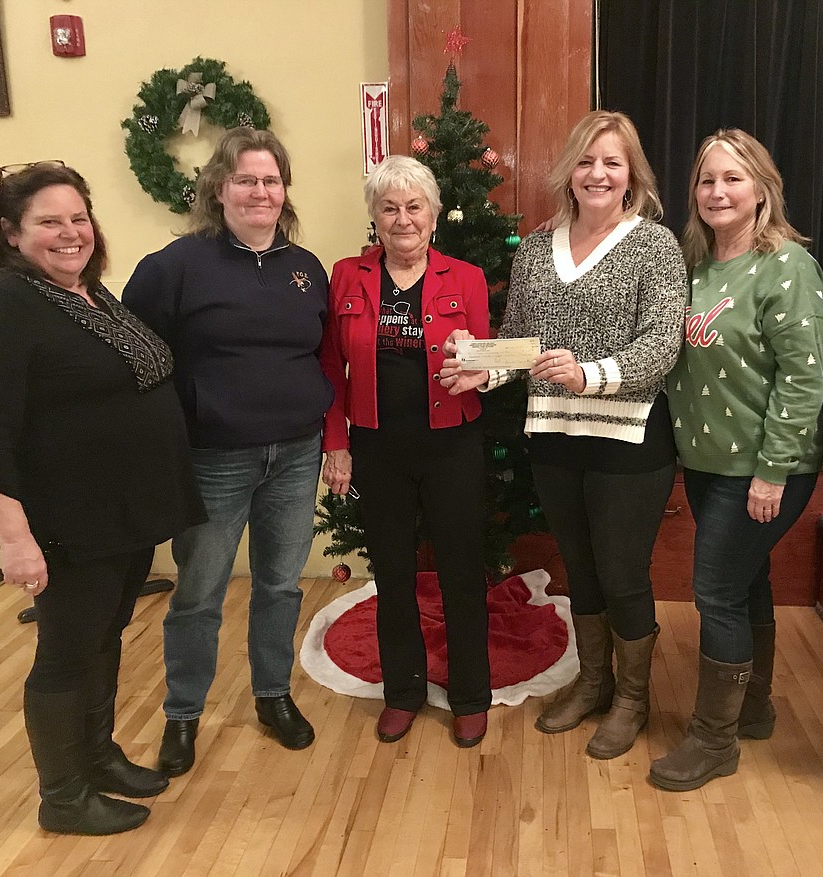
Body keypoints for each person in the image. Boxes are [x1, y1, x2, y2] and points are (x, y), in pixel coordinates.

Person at [0, 162, 205, 835]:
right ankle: (63, 794)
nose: (70, 233)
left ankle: (98, 755)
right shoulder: (4, 304)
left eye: (78, 218)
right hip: (71, 521)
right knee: (66, 651)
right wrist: (13, 537)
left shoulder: (87, 293)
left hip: (122, 515)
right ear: (9, 232)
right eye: (49, 222)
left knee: (102, 638)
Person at [442, 111, 686, 760]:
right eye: (586, 161)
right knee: (579, 567)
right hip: (553, 436)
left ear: (631, 173)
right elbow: (521, 341)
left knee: (623, 573)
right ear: (569, 173)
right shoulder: (536, 248)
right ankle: (594, 680)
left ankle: (633, 698)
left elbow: (663, 344)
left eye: (612, 161)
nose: (598, 173)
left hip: (630, 440)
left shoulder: (654, 245)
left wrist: (590, 374)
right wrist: (479, 369)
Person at [123, 128, 333, 774]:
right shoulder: (175, 267)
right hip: (214, 459)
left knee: (278, 583)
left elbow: (320, 353)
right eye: (246, 180)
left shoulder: (306, 269)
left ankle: (272, 695)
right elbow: (135, 353)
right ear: (219, 188)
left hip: (296, 456)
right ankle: (182, 713)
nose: (260, 192)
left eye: (271, 180)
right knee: (201, 589)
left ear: (284, 191)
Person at [647, 130, 823, 792]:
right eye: (706, 180)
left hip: (763, 465)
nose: (717, 191)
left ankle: (712, 738)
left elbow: (802, 380)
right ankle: (754, 705)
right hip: (706, 463)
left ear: (762, 189)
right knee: (747, 582)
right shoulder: (692, 266)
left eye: (732, 178)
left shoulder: (786, 266)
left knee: (716, 589)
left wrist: (773, 469)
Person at [319, 155, 492, 748]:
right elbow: (330, 370)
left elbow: (487, 359)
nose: (402, 218)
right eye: (389, 207)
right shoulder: (346, 276)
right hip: (378, 448)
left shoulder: (464, 278)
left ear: (434, 214)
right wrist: (337, 444)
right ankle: (403, 692)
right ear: (374, 216)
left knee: (461, 574)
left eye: (414, 206)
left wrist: (481, 375)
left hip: (452, 446)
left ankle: (470, 695)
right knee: (392, 574)